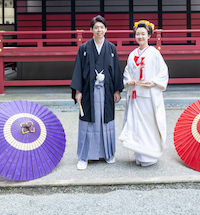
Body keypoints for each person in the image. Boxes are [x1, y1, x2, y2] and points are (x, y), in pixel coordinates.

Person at [71, 15, 123, 170]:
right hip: (89, 92)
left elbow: (116, 72)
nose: (99, 30)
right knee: (88, 122)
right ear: (91, 30)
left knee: (105, 121)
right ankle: (84, 156)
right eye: (96, 27)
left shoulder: (111, 48)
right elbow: (79, 70)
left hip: (106, 91)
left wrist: (117, 90)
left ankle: (108, 153)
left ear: (106, 29)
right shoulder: (84, 48)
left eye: (102, 27)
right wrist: (78, 91)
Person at [119, 20, 168, 167]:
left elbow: (163, 72)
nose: (140, 36)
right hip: (135, 95)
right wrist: (129, 81)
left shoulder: (154, 53)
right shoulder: (133, 53)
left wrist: (155, 82)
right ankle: (139, 154)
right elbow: (127, 71)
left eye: (143, 34)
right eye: (138, 34)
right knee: (137, 125)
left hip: (149, 95)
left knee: (149, 125)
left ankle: (150, 155)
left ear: (149, 36)